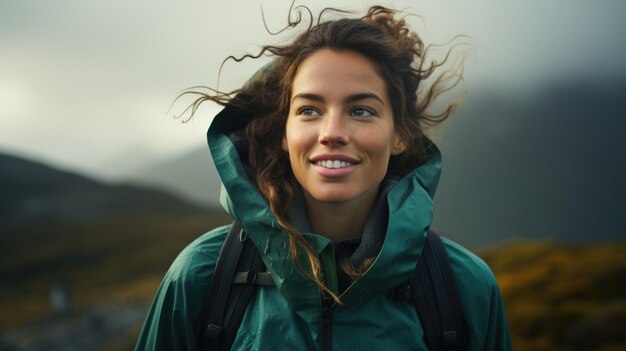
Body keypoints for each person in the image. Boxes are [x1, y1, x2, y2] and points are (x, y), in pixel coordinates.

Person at [135, 5, 512, 350]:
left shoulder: (464, 288)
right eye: (309, 110)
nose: (332, 132)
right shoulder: (201, 278)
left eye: (362, 110)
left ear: (401, 135)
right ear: (284, 133)